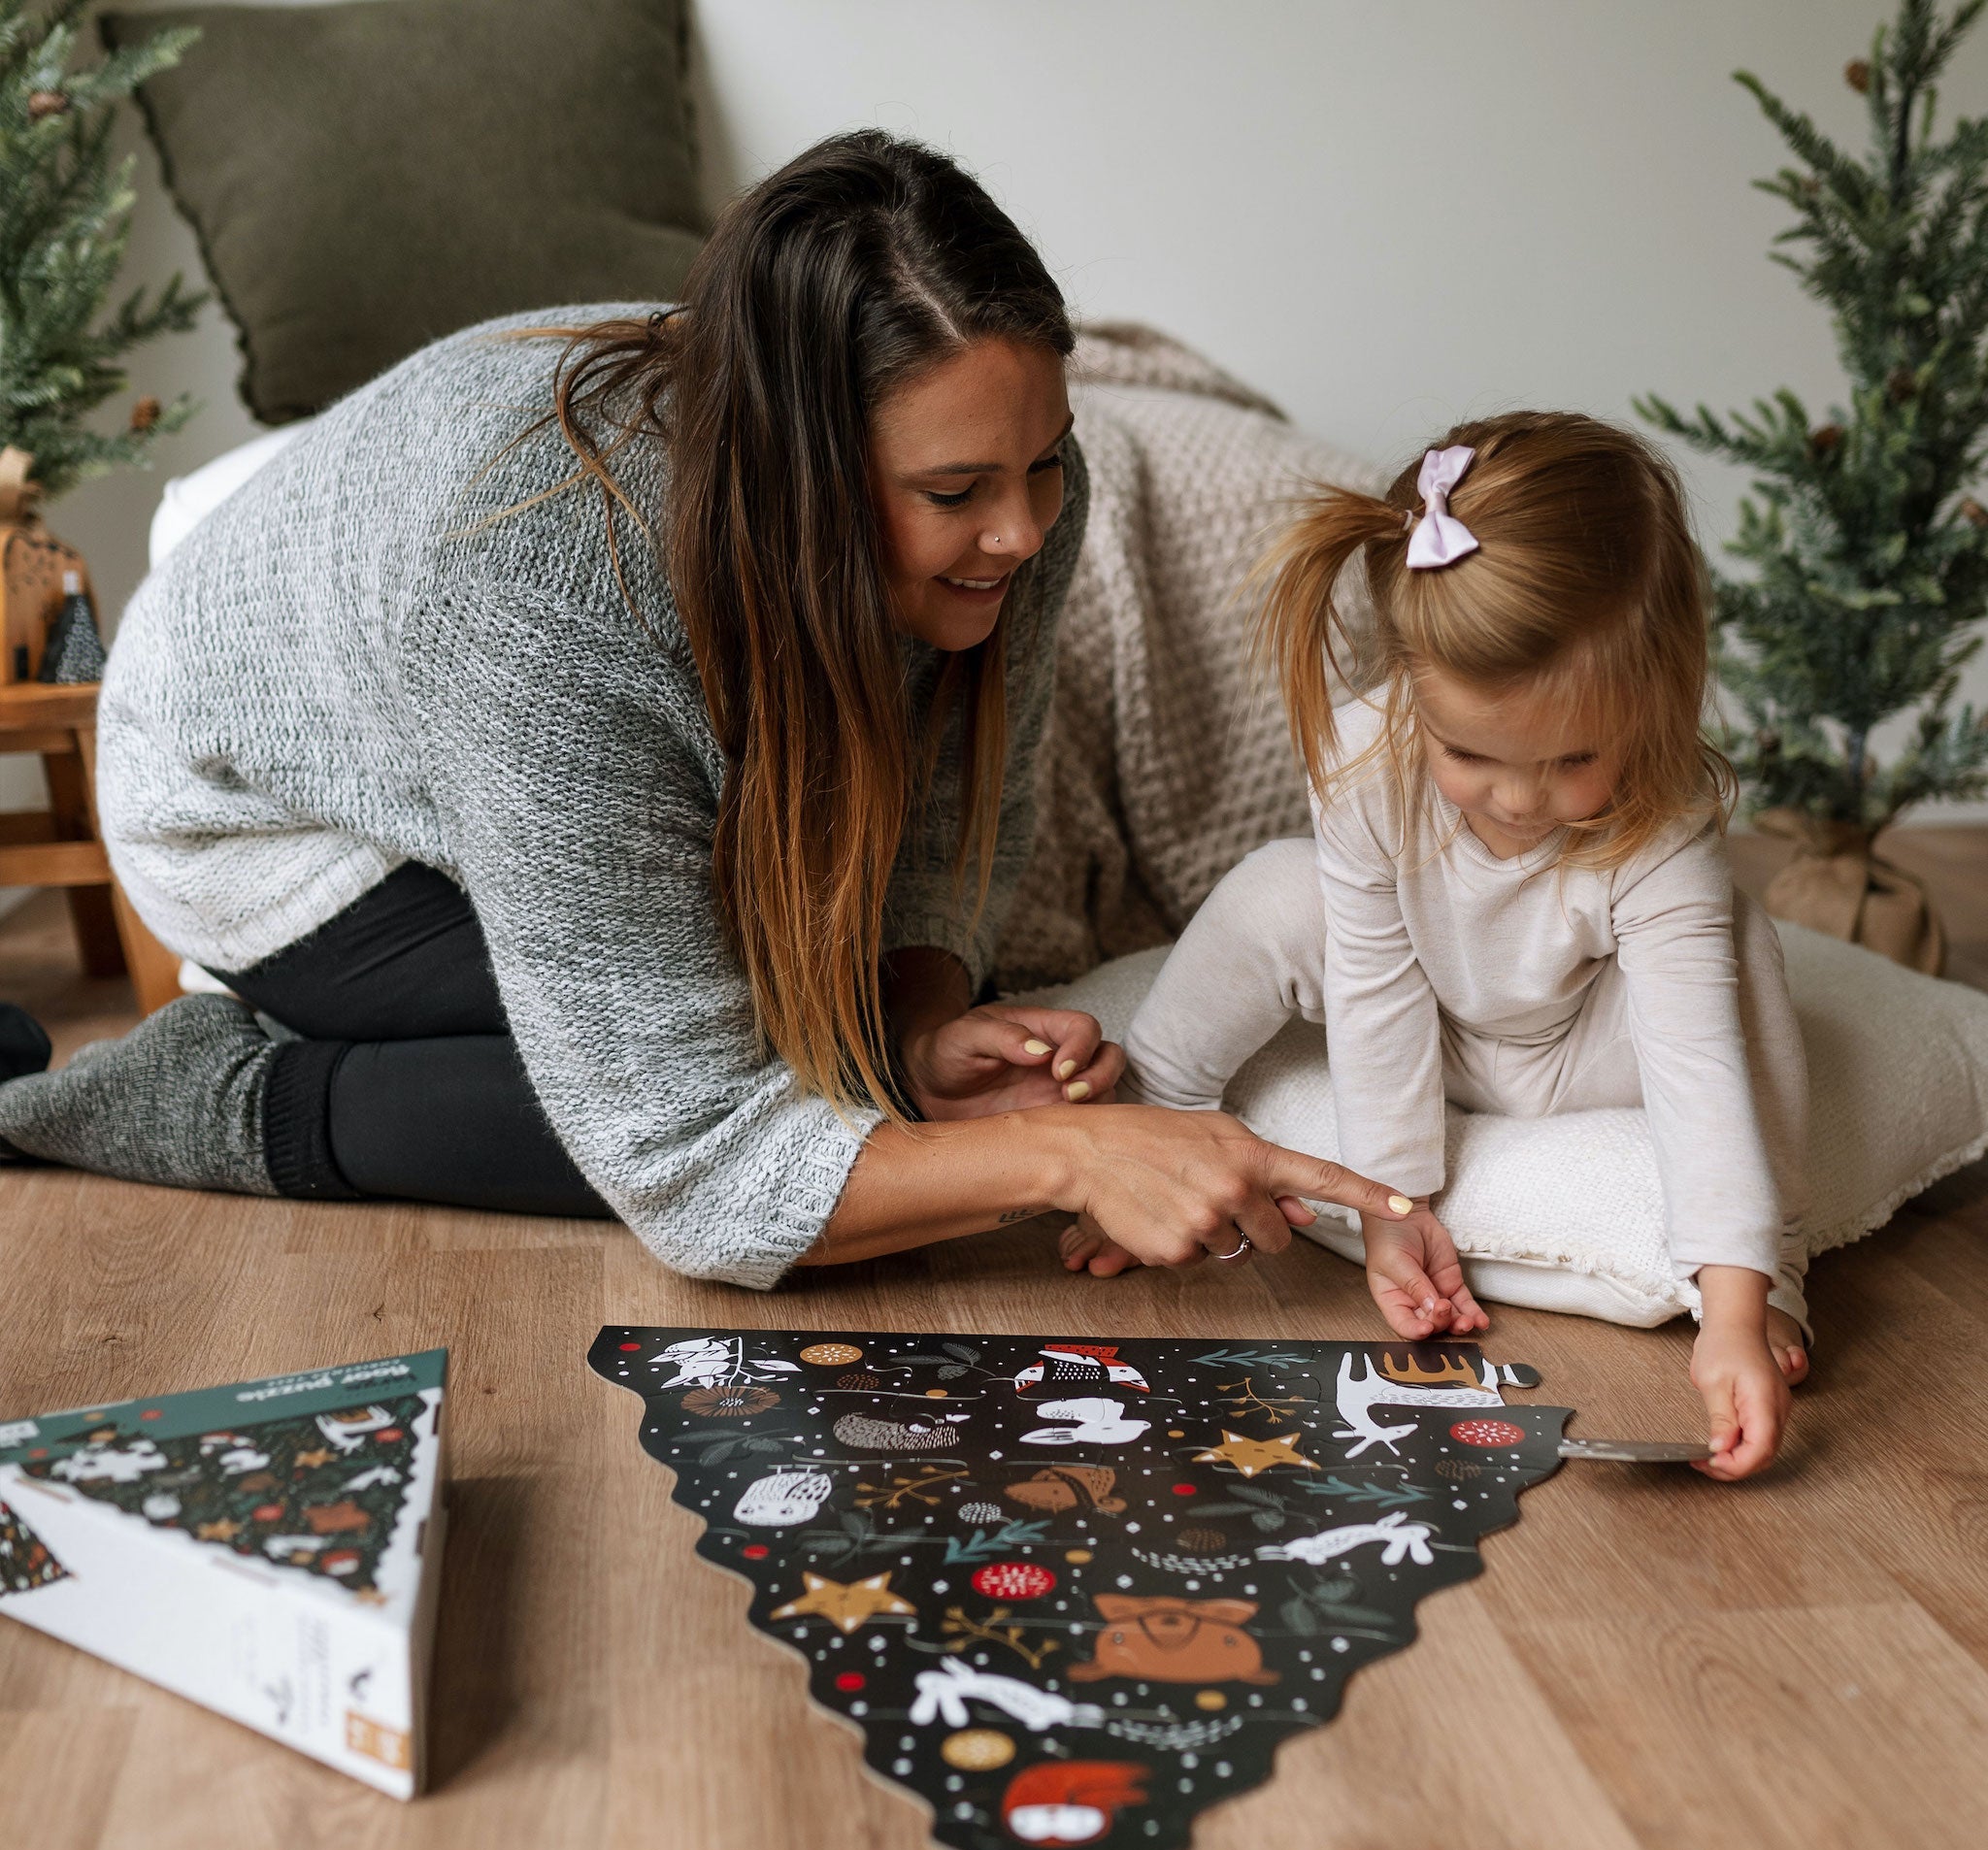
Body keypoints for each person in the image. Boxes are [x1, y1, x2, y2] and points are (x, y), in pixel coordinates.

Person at [0, 131, 1415, 1285]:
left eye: (1040, 465)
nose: (1022, 532)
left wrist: (915, 1023)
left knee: (854, 1070)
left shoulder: (1019, 485)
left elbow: (943, 816)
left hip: (463, 738)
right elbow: (688, 1166)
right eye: (953, 494)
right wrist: (1073, 1159)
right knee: (733, 1097)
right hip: (267, 815)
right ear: (798, 473)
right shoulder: (551, 583)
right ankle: (203, 1092)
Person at [1061, 414, 1809, 1481]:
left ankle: (1774, 1270)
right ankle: (1154, 1114)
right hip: (1436, 1018)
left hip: (1581, 1049)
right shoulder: (1366, 757)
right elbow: (1372, 986)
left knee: (1742, 948)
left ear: (1655, 698)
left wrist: (1731, 1305)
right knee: (1276, 887)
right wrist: (1390, 1210)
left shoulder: (1663, 814)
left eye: (1567, 759)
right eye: (1469, 752)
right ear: (1414, 687)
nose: (1513, 797)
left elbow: (1692, 1064)